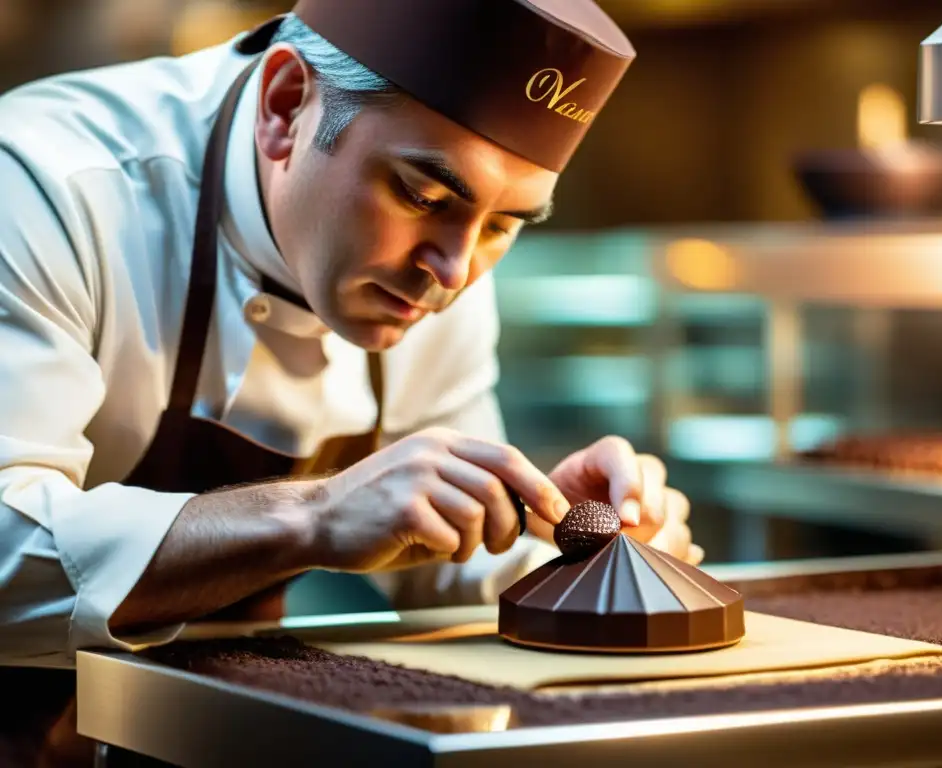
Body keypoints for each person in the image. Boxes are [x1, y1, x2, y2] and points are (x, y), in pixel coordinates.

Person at [0, 0, 702, 674]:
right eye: (421, 196)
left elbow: (440, 565)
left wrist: (560, 543)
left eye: (502, 226)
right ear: (285, 107)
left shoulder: (442, 269)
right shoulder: (45, 187)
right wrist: (311, 514)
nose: (454, 274)